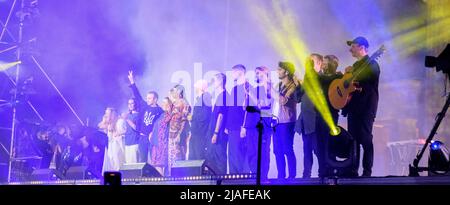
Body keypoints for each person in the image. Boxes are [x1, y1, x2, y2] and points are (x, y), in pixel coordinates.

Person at [342, 36, 380, 177]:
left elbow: (369, 86)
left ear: (362, 47)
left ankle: (367, 172)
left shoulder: (373, 65)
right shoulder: (355, 66)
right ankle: (353, 169)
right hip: (353, 107)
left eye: (353, 46)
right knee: (353, 140)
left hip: (366, 107)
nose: (350, 49)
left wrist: (356, 84)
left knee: (365, 138)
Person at [295, 54, 325, 178]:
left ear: (319, 63)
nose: (308, 65)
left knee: (318, 150)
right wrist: (297, 85)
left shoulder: (322, 79)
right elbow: (297, 99)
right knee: (306, 151)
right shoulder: (307, 80)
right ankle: (305, 176)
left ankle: (322, 175)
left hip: (316, 121)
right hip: (305, 122)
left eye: (311, 62)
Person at [242, 66, 274, 178]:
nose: (257, 75)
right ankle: (254, 175)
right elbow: (245, 107)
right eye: (256, 73)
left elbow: (263, 105)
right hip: (251, 124)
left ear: (265, 74)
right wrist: (246, 94)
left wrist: (250, 94)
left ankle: (263, 176)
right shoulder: (254, 89)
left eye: (259, 73)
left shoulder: (269, 88)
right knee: (251, 152)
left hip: (263, 124)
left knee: (263, 152)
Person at [128, 71, 164, 163]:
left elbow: (161, 125)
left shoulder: (160, 111)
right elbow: (137, 95)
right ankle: (143, 176)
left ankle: (154, 176)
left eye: (149, 98)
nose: (147, 99)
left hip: (152, 138)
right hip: (142, 138)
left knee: (154, 159)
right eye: (147, 98)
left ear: (155, 99)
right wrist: (132, 82)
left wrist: (153, 133)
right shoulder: (144, 106)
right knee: (142, 160)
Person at [272, 61, 298, 179]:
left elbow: (283, 100)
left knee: (287, 148)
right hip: (276, 121)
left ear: (286, 72)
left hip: (287, 122)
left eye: (279, 69)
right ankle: (280, 176)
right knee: (277, 151)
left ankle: (292, 176)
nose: (277, 71)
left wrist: (270, 89)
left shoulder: (293, 86)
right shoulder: (278, 85)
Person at [226, 64, 249, 174]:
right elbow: (231, 109)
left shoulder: (247, 87)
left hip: (239, 127)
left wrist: (244, 127)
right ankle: (232, 179)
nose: (232, 75)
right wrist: (227, 125)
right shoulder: (234, 89)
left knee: (238, 155)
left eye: (233, 72)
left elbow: (247, 110)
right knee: (232, 155)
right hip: (232, 126)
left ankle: (242, 179)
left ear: (240, 72)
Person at [205, 73, 229, 175]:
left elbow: (221, 115)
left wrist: (215, 133)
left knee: (219, 158)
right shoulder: (220, 96)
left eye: (214, 80)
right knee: (212, 159)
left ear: (220, 81)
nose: (213, 83)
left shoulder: (223, 96)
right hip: (215, 132)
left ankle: (222, 181)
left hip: (219, 134)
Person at [167, 84, 191, 175]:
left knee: (178, 155)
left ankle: (179, 178)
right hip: (171, 134)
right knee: (171, 157)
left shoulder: (184, 103)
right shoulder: (174, 103)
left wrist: (179, 134)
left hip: (178, 134)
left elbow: (184, 120)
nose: (173, 93)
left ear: (179, 92)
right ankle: (171, 177)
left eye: (174, 91)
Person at [188, 80, 212, 160]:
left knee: (199, 156)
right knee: (193, 156)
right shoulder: (200, 98)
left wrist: (193, 117)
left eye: (196, 87)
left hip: (201, 133)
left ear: (200, 88)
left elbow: (205, 116)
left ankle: (201, 172)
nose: (195, 89)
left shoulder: (206, 97)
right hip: (196, 132)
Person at [150, 97, 172, 176]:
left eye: (165, 103)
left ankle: (163, 182)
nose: (163, 104)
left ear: (169, 104)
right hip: (156, 143)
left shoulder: (170, 115)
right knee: (156, 164)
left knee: (161, 164)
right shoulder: (162, 115)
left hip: (162, 143)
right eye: (162, 103)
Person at [122, 98, 140, 164]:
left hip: (134, 142)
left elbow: (136, 128)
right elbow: (127, 129)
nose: (130, 105)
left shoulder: (138, 115)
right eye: (129, 104)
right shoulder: (128, 115)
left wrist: (126, 119)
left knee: (134, 164)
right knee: (128, 164)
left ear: (135, 104)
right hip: (127, 142)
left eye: (132, 103)